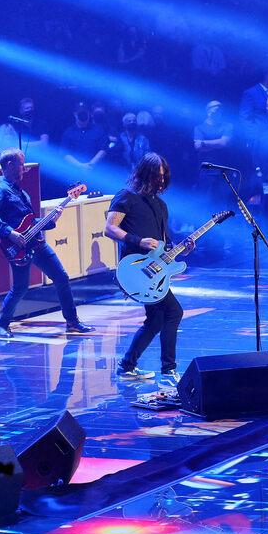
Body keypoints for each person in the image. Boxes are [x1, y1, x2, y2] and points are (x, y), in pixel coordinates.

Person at [0, 148, 93, 339]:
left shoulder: (21, 192)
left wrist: (51, 220)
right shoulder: (0, 189)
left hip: (37, 243)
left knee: (61, 277)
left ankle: (72, 321)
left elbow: (31, 221)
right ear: (10, 165)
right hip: (17, 246)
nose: (24, 168)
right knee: (20, 287)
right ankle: (2, 326)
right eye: (21, 164)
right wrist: (10, 233)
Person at [105, 153, 191, 386]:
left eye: (164, 177)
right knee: (174, 312)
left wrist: (181, 248)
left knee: (155, 320)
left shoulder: (160, 205)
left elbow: (165, 243)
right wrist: (138, 240)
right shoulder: (127, 197)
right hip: (135, 271)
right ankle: (168, 370)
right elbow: (109, 229)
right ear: (145, 174)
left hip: (155, 272)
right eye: (157, 177)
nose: (161, 182)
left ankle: (126, 366)